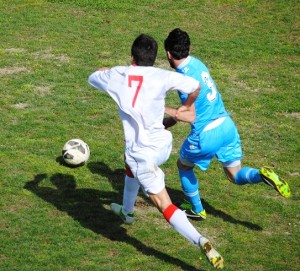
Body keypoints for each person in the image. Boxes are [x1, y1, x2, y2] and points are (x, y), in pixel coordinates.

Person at [88, 34, 224, 269]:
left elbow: (93, 77)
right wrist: (186, 106)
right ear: (154, 58)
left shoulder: (118, 75)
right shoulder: (162, 75)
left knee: (165, 204)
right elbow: (195, 86)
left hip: (143, 154)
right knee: (128, 159)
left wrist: (108, 69)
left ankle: (200, 239)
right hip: (163, 144)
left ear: (132, 56)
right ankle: (127, 211)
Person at [163, 28, 291, 220]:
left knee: (183, 165)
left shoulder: (183, 79)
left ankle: (197, 209)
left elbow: (187, 114)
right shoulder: (197, 63)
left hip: (206, 134)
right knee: (235, 175)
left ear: (168, 54)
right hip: (227, 126)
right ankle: (261, 174)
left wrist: (165, 117)